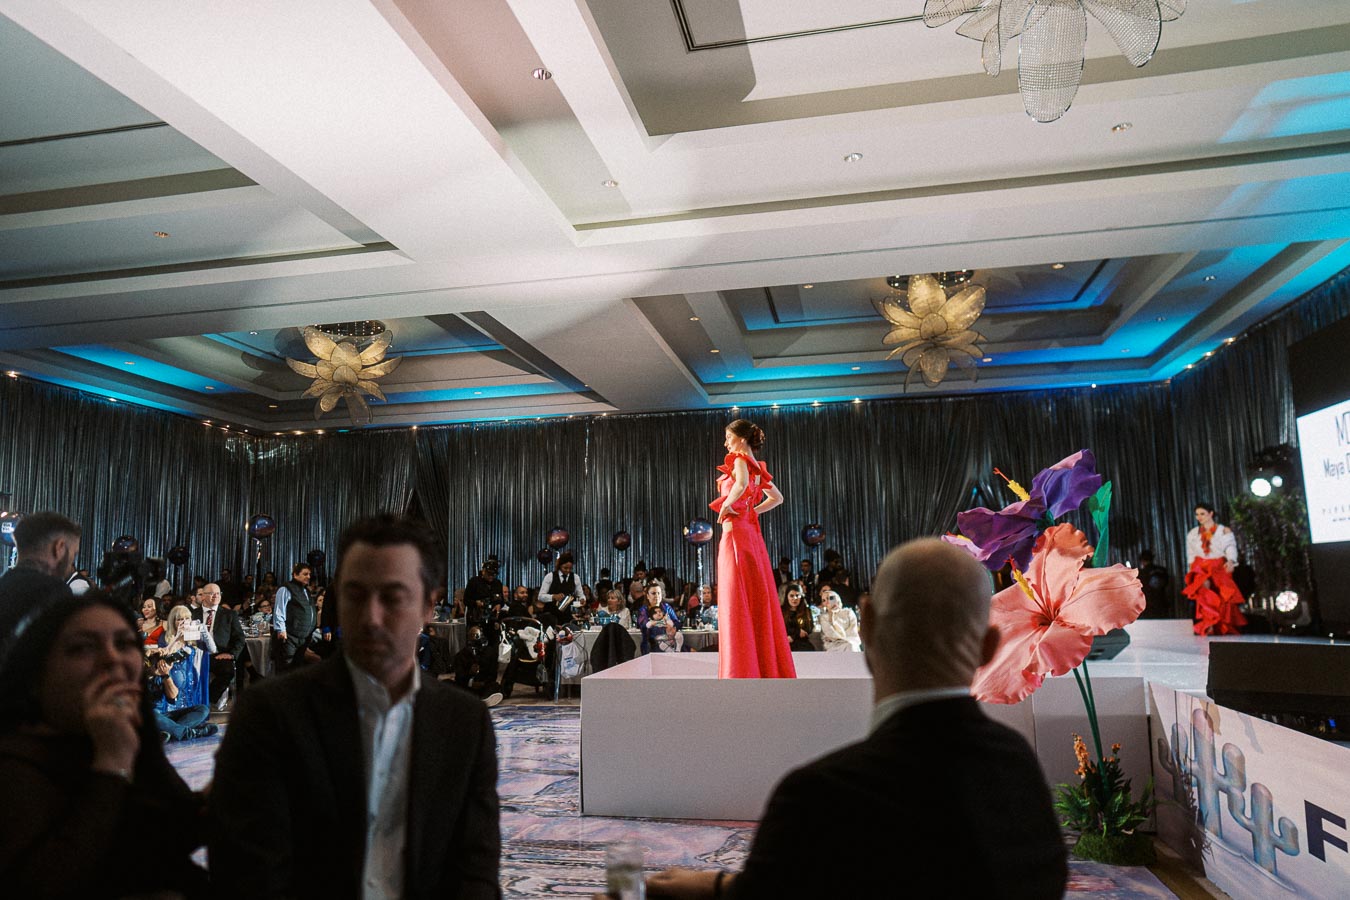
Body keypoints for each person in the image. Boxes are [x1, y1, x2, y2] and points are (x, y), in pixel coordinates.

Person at [646, 539, 1067, 899]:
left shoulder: (819, 794)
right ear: (990, 646)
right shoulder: (1020, 771)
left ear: (865, 623)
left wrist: (718, 889)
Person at [208, 513, 500, 898]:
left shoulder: (464, 721)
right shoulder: (270, 713)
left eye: (393, 598)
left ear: (429, 606)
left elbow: (474, 874)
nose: (370, 618)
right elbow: (247, 873)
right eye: (355, 595)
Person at [0, 594, 208, 897]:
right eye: (84, 647)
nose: (112, 658)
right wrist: (113, 762)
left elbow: (169, 830)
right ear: (39, 672)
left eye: (124, 644)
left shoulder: (131, 734)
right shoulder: (15, 761)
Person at [710, 419, 795, 679]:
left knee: (736, 600)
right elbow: (777, 498)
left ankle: (741, 670)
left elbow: (741, 485)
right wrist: (752, 511)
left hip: (736, 536)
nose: (726, 443)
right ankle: (761, 665)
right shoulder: (758, 467)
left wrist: (727, 505)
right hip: (750, 535)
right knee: (755, 597)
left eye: (728, 437)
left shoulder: (739, 460)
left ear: (741, 438)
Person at [0, 512, 79, 666]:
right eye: (74, 554)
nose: (71, 564)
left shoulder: (4, 584)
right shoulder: (54, 591)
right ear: (60, 547)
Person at [1183, 502, 1246, 635]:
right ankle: (1209, 624)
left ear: (1211, 513)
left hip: (1218, 565)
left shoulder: (1223, 530)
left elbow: (1230, 546)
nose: (1199, 517)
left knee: (1224, 595)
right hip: (1201, 566)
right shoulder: (1193, 533)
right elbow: (1191, 553)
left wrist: (1231, 561)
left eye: (1202, 513)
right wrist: (1190, 569)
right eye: (1197, 514)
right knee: (1204, 590)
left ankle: (1222, 625)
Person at [195, 582, 246, 707]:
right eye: (212, 593)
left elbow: (240, 638)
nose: (216, 596)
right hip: (197, 654)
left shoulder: (229, 614)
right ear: (203, 596)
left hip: (219, 654)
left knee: (228, 671)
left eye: (218, 593)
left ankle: (206, 699)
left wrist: (232, 654)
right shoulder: (192, 613)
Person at [273, 561, 316, 668]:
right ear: (295, 575)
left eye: (309, 574)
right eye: (305, 574)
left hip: (303, 638)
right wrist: (281, 629)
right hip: (289, 636)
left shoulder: (306, 591)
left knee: (297, 667)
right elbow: (279, 610)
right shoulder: (285, 589)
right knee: (285, 667)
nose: (308, 577)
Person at [538, 552, 584, 627]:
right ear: (559, 566)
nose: (568, 570)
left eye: (570, 568)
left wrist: (582, 599)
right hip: (551, 616)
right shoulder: (550, 576)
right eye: (565, 568)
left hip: (567, 616)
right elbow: (540, 596)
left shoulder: (575, 577)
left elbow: (580, 595)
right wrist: (553, 597)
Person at [1136, 550, 1172, 618]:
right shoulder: (1162, 570)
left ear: (1142, 561)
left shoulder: (1141, 573)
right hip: (1162, 603)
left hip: (1148, 605)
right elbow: (1167, 583)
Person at [781, 585, 814, 653]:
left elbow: (808, 628)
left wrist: (793, 636)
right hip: (785, 641)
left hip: (802, 643)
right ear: (787, 597)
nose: (795, 598)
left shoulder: (806, 610)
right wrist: (798, 632)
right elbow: (780, 628)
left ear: (801, 597)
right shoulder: (781, 611)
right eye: (791, 595)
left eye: (797, 595)